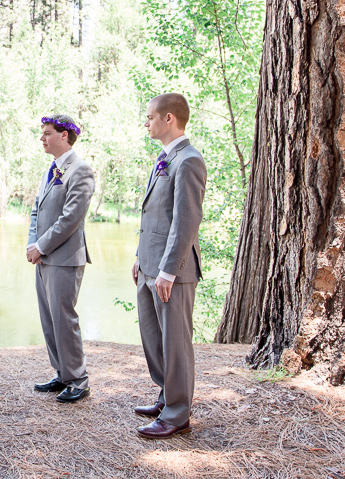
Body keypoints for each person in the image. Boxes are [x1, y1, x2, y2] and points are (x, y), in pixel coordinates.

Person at [132, 93, 207, 439]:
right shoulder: (164, 158)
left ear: (169, 119)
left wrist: (167, 271)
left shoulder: (189, 160)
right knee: (154, 338)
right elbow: (153, 215)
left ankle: (178, 414)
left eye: (149, 117)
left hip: (171, 273)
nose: (146, 123)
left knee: (175, 342)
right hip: (148, 266)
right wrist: (139, 257)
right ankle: (166, 395)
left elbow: (186, 221)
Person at [26, 115, 95, 403]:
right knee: (49, 319)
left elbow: (70, 219)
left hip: (65, 258)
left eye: (47, 133)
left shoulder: (81, 171)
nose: (42, 139)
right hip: (43, 258)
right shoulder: (49, 170)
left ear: (65, 136)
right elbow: (36, 210)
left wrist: (41, 246)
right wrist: (33, 243)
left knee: (64, 319)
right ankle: (62, 373)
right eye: (42, 134)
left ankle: (79, 380)